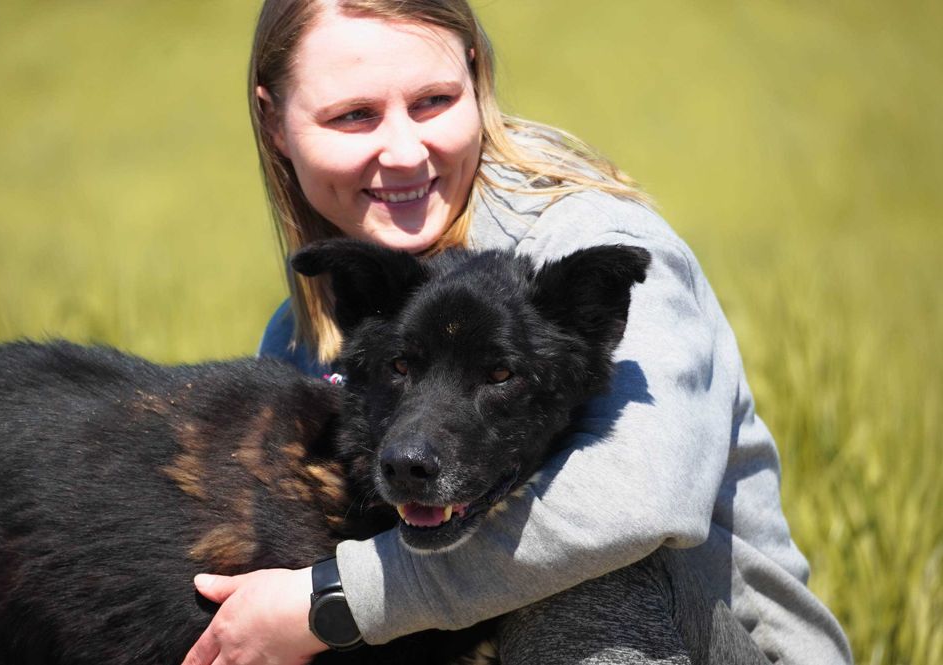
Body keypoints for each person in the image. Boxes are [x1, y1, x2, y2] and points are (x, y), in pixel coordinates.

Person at [182, 1, 853, 664]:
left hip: (701, 638)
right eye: (354, 115)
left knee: (575, 573)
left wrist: (334, 603)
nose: (405, 149)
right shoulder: (310, 328)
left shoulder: (587, 248)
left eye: (433, 101)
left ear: (477, 80)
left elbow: (638, 501)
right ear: (274, 122)